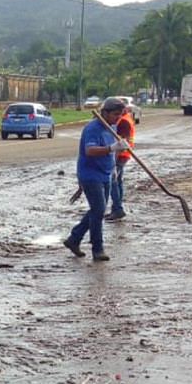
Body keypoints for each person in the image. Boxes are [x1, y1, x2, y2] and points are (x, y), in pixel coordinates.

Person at [63, 97, 128, 262]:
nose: (118, 118)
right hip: (90, 174)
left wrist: (113, 166)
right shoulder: (93, 128)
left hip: (106, 173)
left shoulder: (111, 126)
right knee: (98, 209)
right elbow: (90, 150)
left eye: (120, 115)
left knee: (97, 210)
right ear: (105, 113)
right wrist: (111, 148)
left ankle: (74, 239)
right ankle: (97, 248)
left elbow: (113, 150)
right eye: (115, 114)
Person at [105, 107, 135, 222]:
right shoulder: (125, 119)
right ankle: (116, 208)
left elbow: (121, 143)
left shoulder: (123, 121)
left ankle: (117, 209)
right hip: (124, 154)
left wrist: (113, 161)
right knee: (118, 182)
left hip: (121, 155)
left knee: (114, 182)